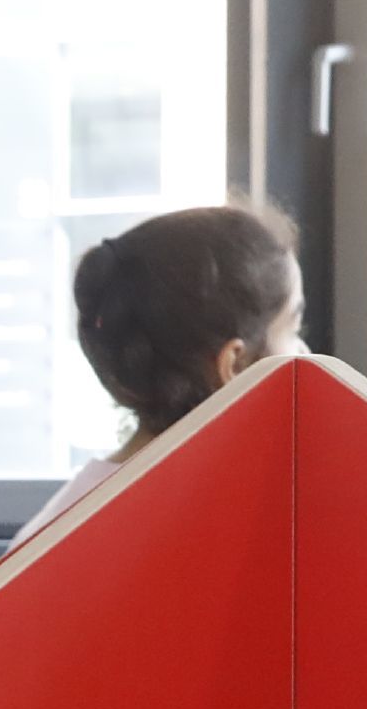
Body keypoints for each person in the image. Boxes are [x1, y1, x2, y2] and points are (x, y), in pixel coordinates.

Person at [26, 197, 306, 537]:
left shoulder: (57, 527)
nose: (304, 351)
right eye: (293, 329)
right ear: (235, 364)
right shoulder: (228, 523)